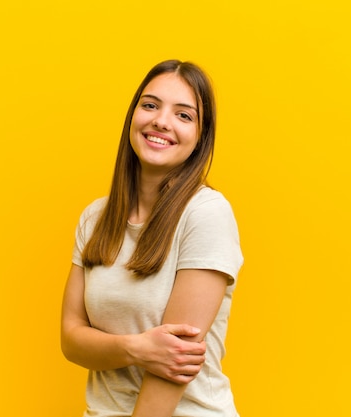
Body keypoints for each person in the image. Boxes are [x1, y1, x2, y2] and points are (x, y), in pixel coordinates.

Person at [61, 59, 243, 417]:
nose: (161, 121)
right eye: (150, 105)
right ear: (133, 116)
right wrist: (137, 348)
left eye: (184, 115)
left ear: (200, 138)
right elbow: (71, 340)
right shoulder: (95, 218)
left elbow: (175, 364)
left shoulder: (205, 214)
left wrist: (133, 350)